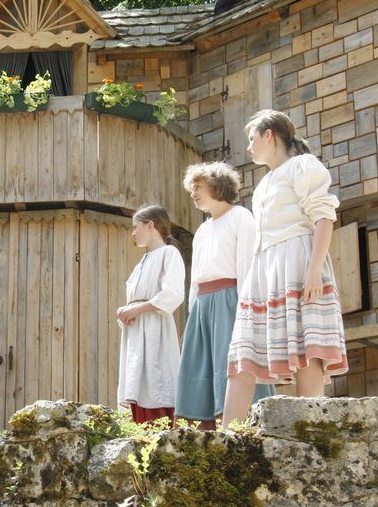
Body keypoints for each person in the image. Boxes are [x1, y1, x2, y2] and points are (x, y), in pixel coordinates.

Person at [221, 109, 348, 427]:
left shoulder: (303, 166)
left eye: (252, 139)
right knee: (243, 351)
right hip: (265, 267)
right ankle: (228, 434)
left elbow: (323, 217)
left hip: (297, 260)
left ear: (269, 135)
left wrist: (315, 269)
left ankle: (312, 425)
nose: (249, 148)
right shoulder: (264, 183)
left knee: (308, 344)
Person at [175, 162, 275, 430]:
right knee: (201, 365)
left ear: (216, 185)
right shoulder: (203, 230)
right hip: (203, 305)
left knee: (229, 363)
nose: (193, 193)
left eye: (198, 187)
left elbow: (248, 267)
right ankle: (206, 428)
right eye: (191, 188)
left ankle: (243, 423)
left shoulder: (241, 217)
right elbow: (196, 279)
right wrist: (192, 317)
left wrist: (247, 309)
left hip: (231, 299)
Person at [117, 205, 186, 424]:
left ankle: (161, 434)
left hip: (155, 329)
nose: (133, 233)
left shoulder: (169, 253)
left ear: (151, 225)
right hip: (137, 332)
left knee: (157, 378)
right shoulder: (141, 264)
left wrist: (138, 308)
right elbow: (135, 299)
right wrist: (125, 311)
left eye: (136, 227)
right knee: (137, 380)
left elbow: (173, 293)